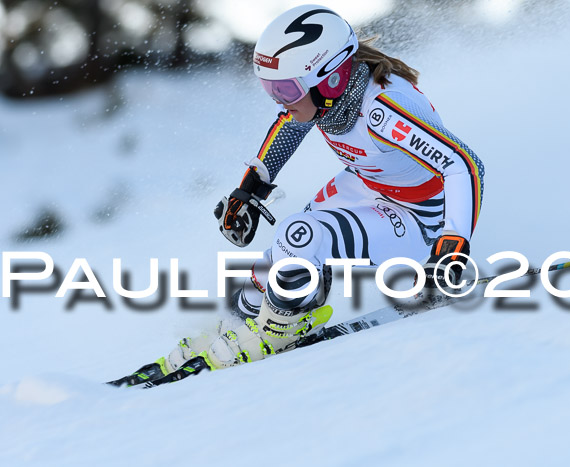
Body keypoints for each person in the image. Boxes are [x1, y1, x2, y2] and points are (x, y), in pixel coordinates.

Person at [135, 4, 485, 379]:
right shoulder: (325, 98)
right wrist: (251, 189)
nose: (278, 99)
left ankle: (277, 330)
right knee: (275, 260)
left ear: (331, 79)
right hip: (370, 185)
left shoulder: (384, 112)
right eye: (270, 88)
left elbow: (463, 164)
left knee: (300, 237)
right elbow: (291, 125)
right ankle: (235, 325)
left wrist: (452, 244)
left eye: (284, 88)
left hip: (421, 215)